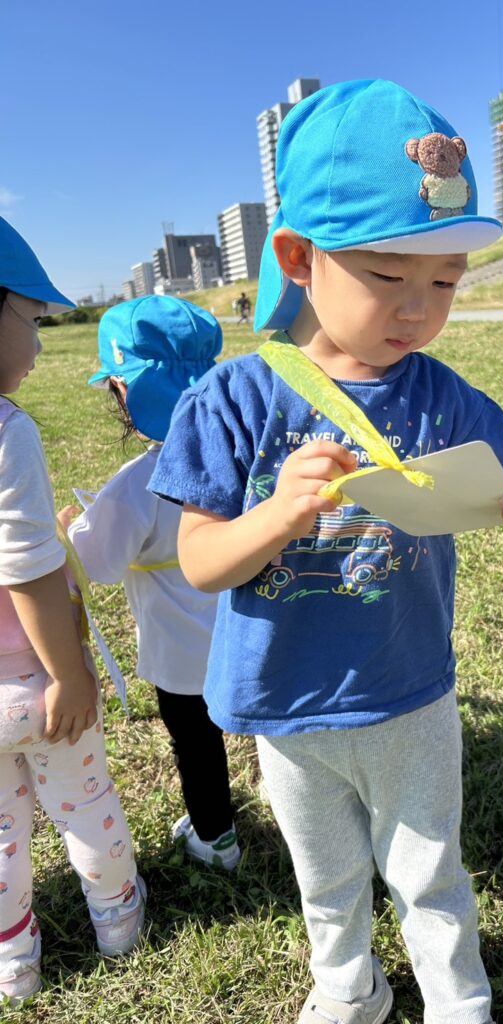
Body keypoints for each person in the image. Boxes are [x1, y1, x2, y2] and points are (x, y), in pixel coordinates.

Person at [150, 80, 503, 1024]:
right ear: (300, 258)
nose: (419, 309)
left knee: (429, 864)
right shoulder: (232, 400)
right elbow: (200, 562)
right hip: (287, 701)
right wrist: (276, 515)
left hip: (408, 688)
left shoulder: (440, 392)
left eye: (447, 282)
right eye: (390, 276)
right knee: (327, 873)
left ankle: (457, 995)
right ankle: (348, 985)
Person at [0, 217, 144, 1005]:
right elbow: (25, 569)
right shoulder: (6, 431)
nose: (40, 345)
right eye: (29, 319)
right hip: (32, 682)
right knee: (84, 805)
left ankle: (12, 962)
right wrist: (69, 672)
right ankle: (117, 918)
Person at [60, 296, 240, 871]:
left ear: (125, 392)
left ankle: (216, 839)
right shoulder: (240, 456)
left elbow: (103, 563)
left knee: (197, 744)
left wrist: (73, 530)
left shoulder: (139, 481)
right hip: (248, 633)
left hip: (180, 653)